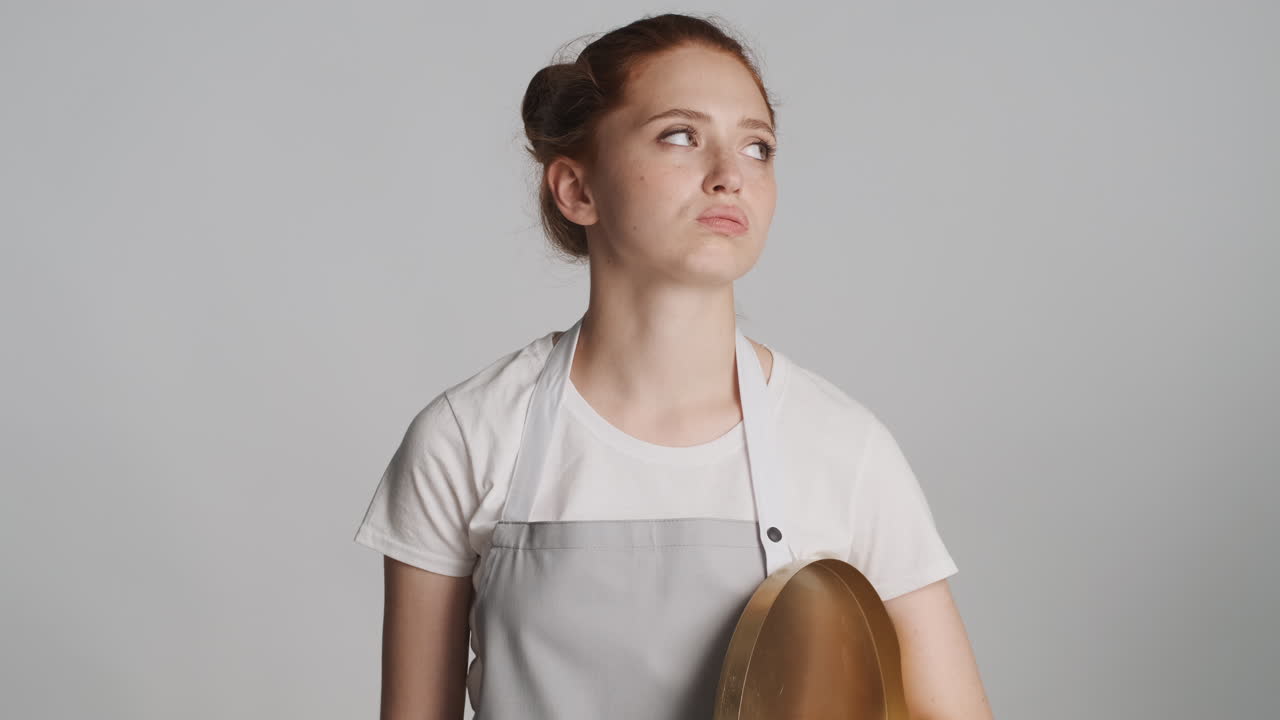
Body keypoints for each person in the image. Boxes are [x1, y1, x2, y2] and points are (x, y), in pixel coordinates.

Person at [354, 12, 992, 720]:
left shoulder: (844, 449)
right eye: (681, 136)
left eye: (758, 147)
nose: (729, 176)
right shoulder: (467, 437)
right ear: (577, 190)